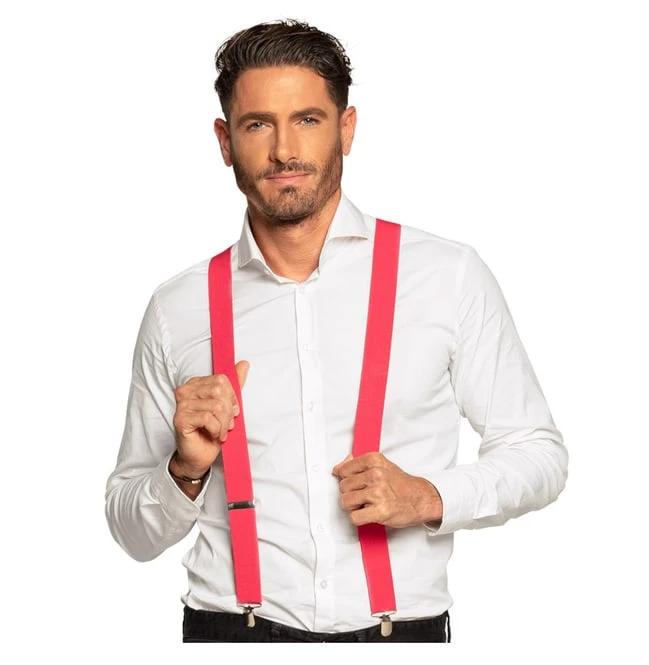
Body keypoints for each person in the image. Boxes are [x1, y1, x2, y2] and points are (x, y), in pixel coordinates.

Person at [105, 18, 568, 643]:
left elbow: (538, 452)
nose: (283, 151)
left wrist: (428, 497)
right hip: (228, 632)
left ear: (346, 129)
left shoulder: (446, 275)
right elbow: (130, 531)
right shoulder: (177, 307)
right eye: (257, 124)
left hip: (398, 636)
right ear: (224, 140)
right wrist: (185, 469)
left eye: (307, 119)